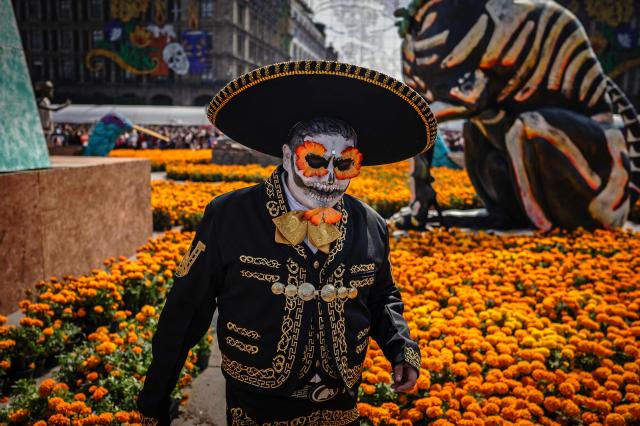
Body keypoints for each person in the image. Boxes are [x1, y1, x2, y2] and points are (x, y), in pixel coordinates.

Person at [137, 60, 437, 425]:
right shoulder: (230, 215)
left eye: (344, 165)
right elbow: (186, 311)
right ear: (286, 155)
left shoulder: (369, 223)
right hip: (257, 402)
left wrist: (401, 347)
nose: (329, 178)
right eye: (314, 161)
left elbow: (382, 296)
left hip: (340, 399)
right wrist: (155, 395)